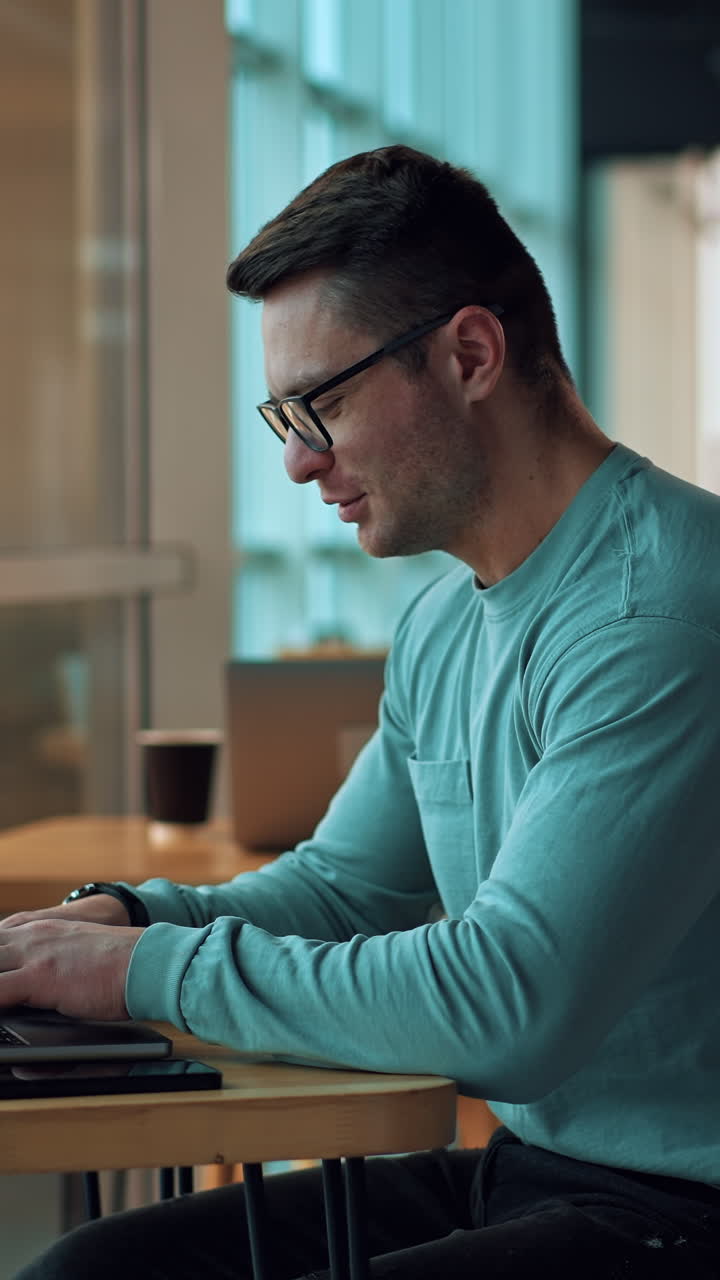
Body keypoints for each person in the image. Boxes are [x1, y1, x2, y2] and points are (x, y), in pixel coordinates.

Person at [4, 144, 720, 1278]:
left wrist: (140, 972)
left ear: (470, 354)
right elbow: (343, 887)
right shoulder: (442, 624)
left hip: (684, 1206)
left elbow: (510, 1003)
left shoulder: (663, 610)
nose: (295, 462)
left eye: (321, 404)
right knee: (85, 1272)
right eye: (281, 415)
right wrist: (131, 915)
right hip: (533, 1169)